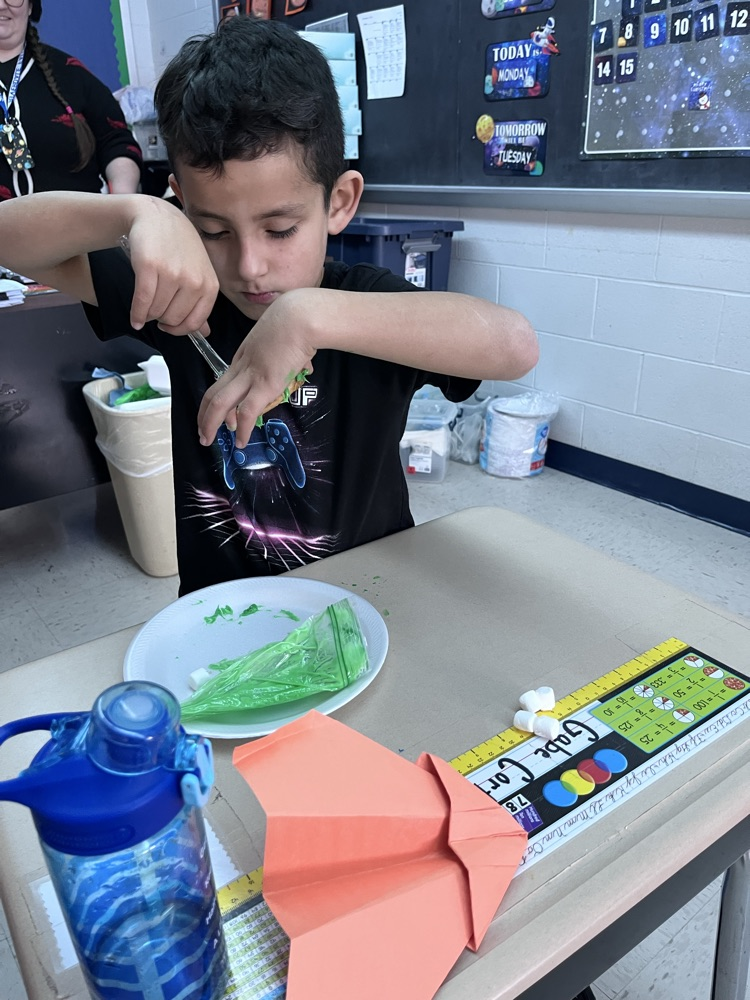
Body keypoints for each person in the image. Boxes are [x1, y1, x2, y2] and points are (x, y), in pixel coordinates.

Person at [0, 16, 538, 595]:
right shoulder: (185, 295)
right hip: (225, 610)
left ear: (339, 202)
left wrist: (311, 315)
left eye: (280, 229)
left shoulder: (362, 302)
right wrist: (133, 213)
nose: (249, 266)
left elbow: (514, 345)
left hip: (369, 600)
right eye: (212, 229)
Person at [0, 0, 142, 199]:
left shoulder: (70, 72)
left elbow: (116, 141)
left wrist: (122, 199)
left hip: (79, 224)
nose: (1, 5)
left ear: (31, 6)